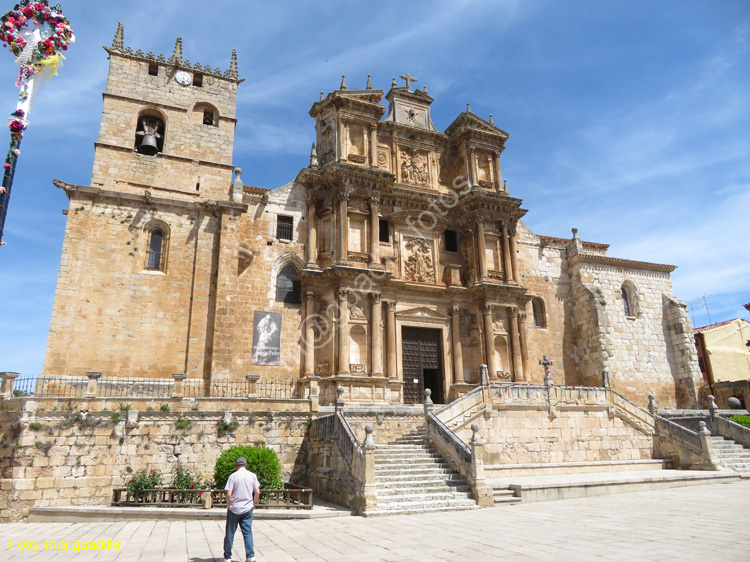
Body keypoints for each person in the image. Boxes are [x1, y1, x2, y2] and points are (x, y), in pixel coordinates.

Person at [223, 457, 260, 562]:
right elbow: (257, 492)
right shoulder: (252, 475)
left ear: (236, 466)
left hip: (234, 508)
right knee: (247, 532)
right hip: (247, 507)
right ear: (246, 465)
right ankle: (250, 556)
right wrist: (254, 503)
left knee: (230, 533)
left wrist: (228, 504)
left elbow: (229, 494)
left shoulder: (233, 476)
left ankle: (227, 557)